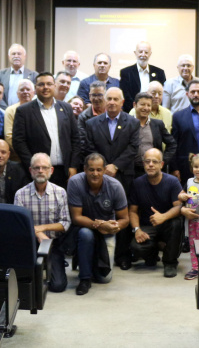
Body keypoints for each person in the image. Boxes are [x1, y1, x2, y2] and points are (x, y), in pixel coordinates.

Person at [84, 87, 141, 270]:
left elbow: (133, 147)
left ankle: (122, 255)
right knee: (98, 212)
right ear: (104, 100)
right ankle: (98, 254)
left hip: (123, 175)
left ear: (122, 102)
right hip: (96, 176)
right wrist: (102, 168)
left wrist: (115, 166)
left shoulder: (132, 122)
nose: (112, 102)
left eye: (116, 99)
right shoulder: (92, 123)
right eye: (109, 98)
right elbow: (90, 147)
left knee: (122, 214)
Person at [68, 153, 130, 295]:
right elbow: (76, 217)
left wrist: (114, 227)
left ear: (104, 170)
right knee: (85, 234)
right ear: (84, 169)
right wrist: (98, 225)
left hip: (107, 230)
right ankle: (85, 278)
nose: (95, 174)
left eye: (99, 170)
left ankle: (88, 262)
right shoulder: (75, 182)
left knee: (104, 278)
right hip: (84, 227)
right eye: (91, 170)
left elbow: (125, 219)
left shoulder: (115, 186)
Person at [12, 72, 81, 188]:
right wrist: (34, 166)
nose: (45, 87)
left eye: (49, 84)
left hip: (65, 172)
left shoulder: (66, 108)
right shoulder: (24, 111)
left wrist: (73, 166)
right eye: (41, 84)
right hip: (38, 173)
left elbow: (75, 139)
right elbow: (18, 142)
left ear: (54, 86)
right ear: (35, 88)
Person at [14, 153, 70, 292]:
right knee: (26, 286)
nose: (40, 171)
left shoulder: (60, 192)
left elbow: (65, 223)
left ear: (51, 170)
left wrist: (40, 228)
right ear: (30, 170)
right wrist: (38, 235)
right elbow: (18, 226)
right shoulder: (20, 194)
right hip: (29, 244)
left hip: (53, 243)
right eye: (36, 167)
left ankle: (54, 263)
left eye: (44, 168)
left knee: (57, 286)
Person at [129, 148, 183, 278]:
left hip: (167, 225)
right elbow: (133, 211)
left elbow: (179, 207)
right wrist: (137, 230)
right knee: (137, 247)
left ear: (161, 164)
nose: (151, 164)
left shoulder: (172, 181)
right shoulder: (137, 183)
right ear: (143, 164)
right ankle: (153, 252)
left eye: (154, 161)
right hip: (148, 226)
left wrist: (163, 216)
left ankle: (170, 263)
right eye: (147, 161)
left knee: (177, 223)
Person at [131, 92, 177, 176]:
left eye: (148, 105)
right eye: (142, 104)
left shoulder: (157, 124)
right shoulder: (127, 124)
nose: (146, 108)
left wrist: (161, 161)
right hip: (132, 172)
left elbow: (172, 144)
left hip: (154, 172)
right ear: (135, 105)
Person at [119, 41, 167, 112]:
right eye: (140, 52)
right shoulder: (126, 72)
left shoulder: (159, 72)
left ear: (150, 54)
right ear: (135, 53)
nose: (143, 55)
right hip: (133, 112)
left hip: (154, 112)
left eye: (146, 52)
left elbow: (162, 94)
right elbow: (125, 95)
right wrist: (137, 108)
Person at [0, 43, 39, 107]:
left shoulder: (34, 75)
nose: (16, 56)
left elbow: (35, 96)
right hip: (4, 112)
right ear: (9, 57)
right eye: (13, 54)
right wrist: (8, 110)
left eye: (19, 54)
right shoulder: (0, 74)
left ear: (25, 56)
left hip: (26, 112)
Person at [4, 79, 35, 162]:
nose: (25, 92)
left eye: (28, 89)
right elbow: (9, 136)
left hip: (37, 157)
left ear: (33, 93)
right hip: (17, 158)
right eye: (22, 90)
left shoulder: (39, 109)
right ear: (17, 94)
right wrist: (25, 154)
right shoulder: (10, 110)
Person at [76, 81, 106, 159]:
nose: (96, 98)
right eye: (93, 95)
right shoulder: (83, 117)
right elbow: (83, 142)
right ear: (89, 96)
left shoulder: (113, 113)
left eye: (99, 95)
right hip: (92, 159)